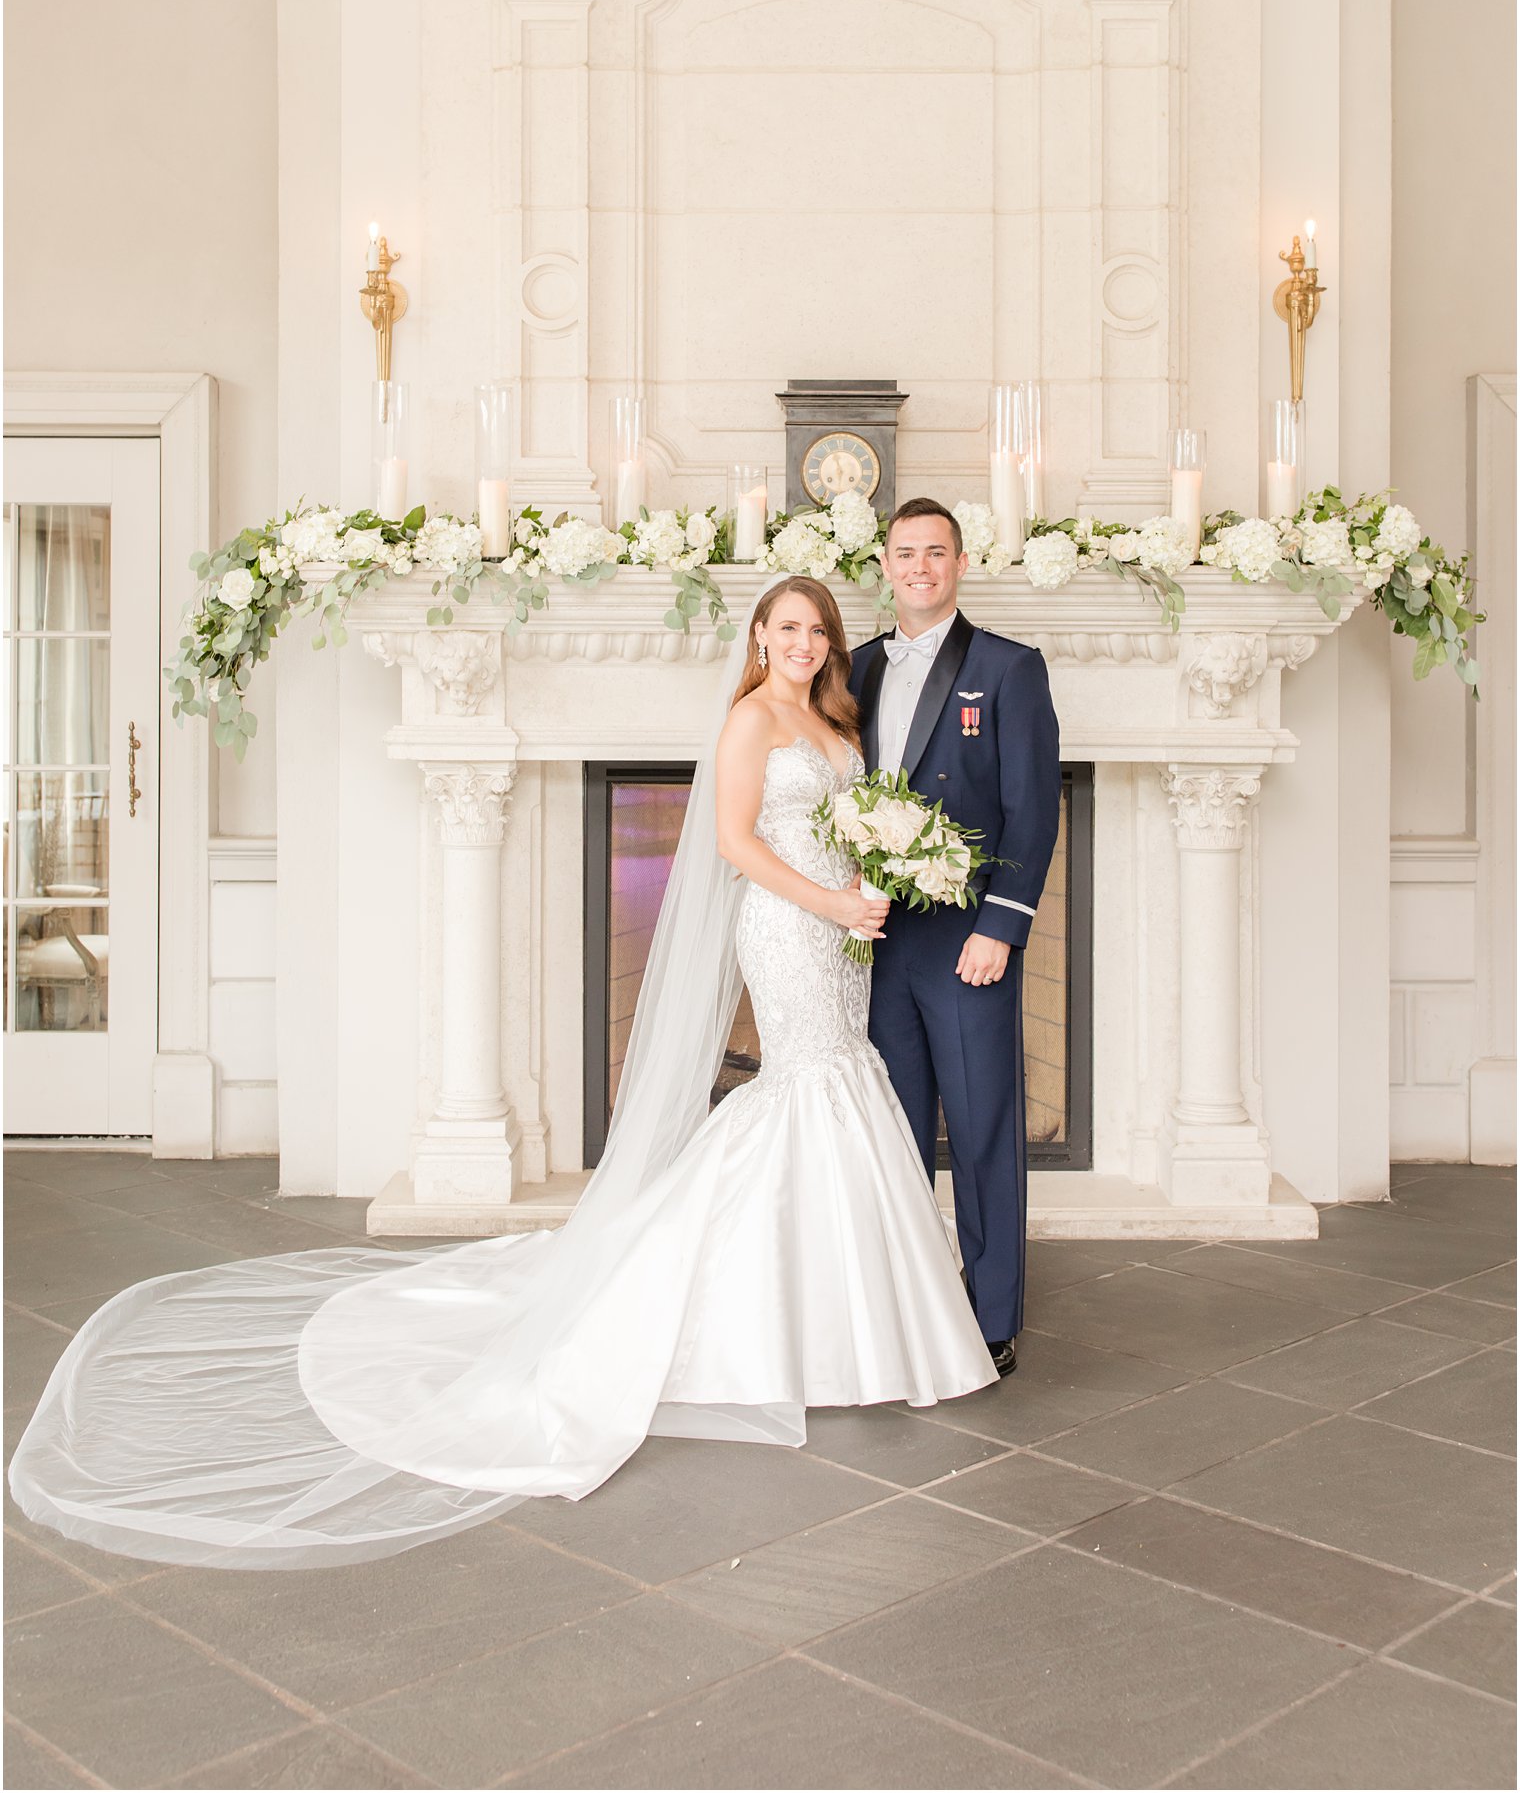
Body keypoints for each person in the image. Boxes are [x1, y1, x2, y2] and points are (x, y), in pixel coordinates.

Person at [8, 576, 994, 1571]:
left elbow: (853, 821)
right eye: (787, 628)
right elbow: (735, 842)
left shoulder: (831, 716)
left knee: (838, 1075)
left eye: (816, 630)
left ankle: (842, 1319)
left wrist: (864, 887)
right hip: (789, 931)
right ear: (758, 635)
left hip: (840, 932)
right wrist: (825, 907)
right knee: (805, 1080)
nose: (804, 643)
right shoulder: (749, 720)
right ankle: (755, 1312)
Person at [851, 498, 1062, 1375]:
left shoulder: (1010, 668)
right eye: (906, 553)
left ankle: (992, 1312)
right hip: (874, 936)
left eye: (936, 553)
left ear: (962, 563)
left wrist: (1001, 930)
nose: (921, 567)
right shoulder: (855, 667)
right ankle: (908, 1301)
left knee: (979, 1127)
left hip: (966, 939)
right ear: (887, 564)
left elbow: (1033, 807)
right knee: (892, 1129)